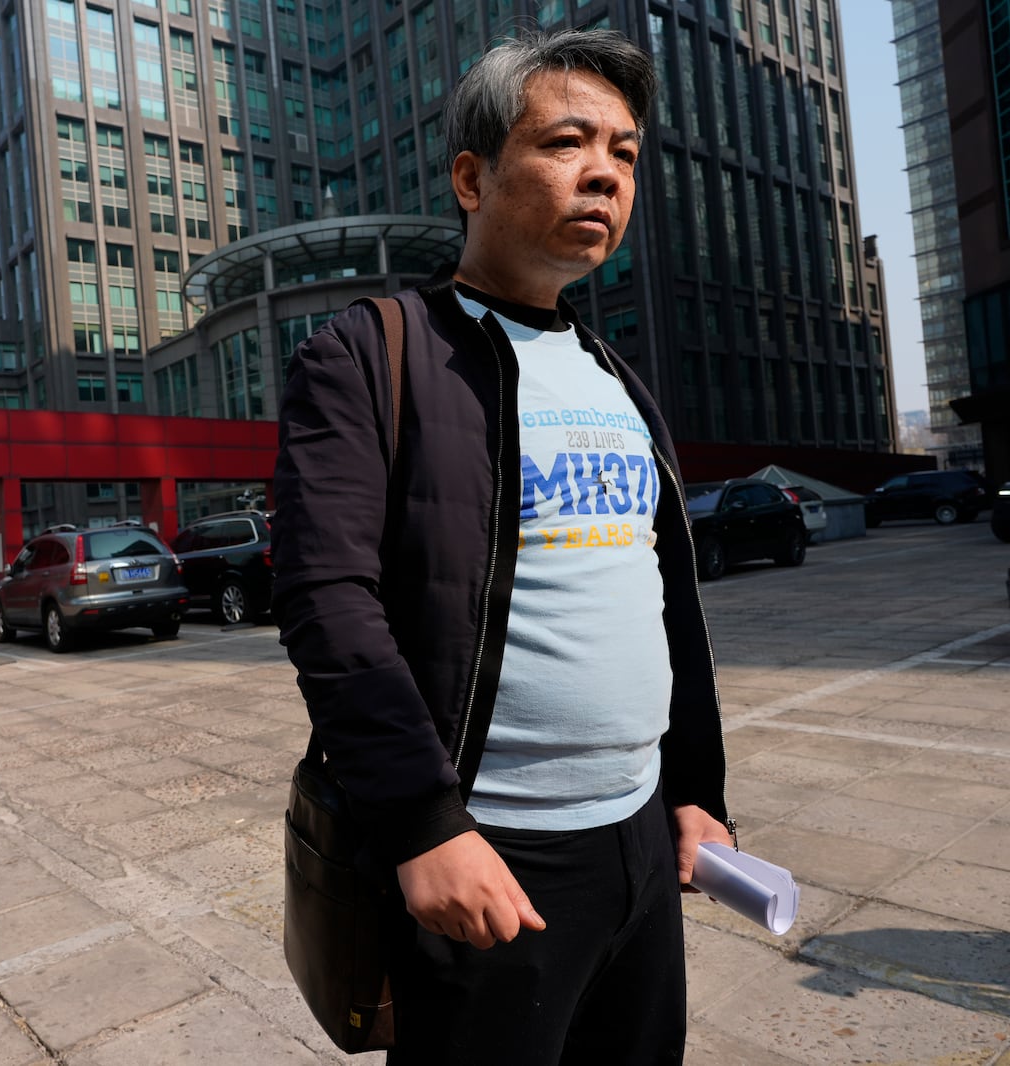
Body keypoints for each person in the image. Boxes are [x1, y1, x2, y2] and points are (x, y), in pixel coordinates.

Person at [272, 29, 734, 1064]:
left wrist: (697, 790)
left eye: (624, 151)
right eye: (569, 141)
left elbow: (667, 607)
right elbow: (325, 596)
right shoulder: (373, 351)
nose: (604, 173)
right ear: (474, 176)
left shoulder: (615, 377)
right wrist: (423, 823)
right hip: (491, 852)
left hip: (641, 841)